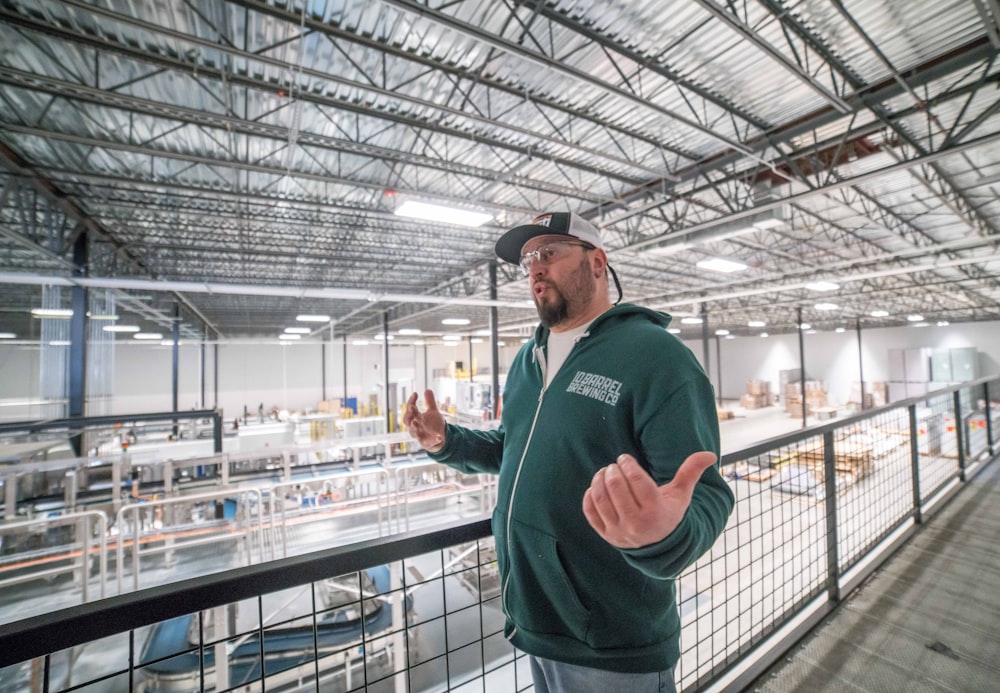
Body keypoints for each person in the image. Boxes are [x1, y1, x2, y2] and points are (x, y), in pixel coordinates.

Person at [404, 211, 734, 692]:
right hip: (534, 622)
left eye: (550, 253)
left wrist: (663, 537)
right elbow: (512, 448)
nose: (535, 268)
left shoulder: (656, 356)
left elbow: (704, 494)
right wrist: (445, 442)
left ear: (597, 263)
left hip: (610, 642)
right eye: (527, 261)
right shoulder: (527, 358)